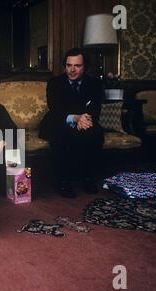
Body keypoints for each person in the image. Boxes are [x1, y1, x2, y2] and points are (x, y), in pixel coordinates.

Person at [39, 48, 104, 198]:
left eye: (77, 66)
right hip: (57, 120)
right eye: (69, 65)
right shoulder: (54, 83)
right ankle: (63, 181)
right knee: (62, 134)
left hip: (84, 121)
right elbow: (55, 108)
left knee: (97, 133)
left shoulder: (95, 83)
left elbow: (95, 108)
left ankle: (87, 178)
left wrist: (84, 119)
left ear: (85, 66)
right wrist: (75, 118)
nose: (72, 70)